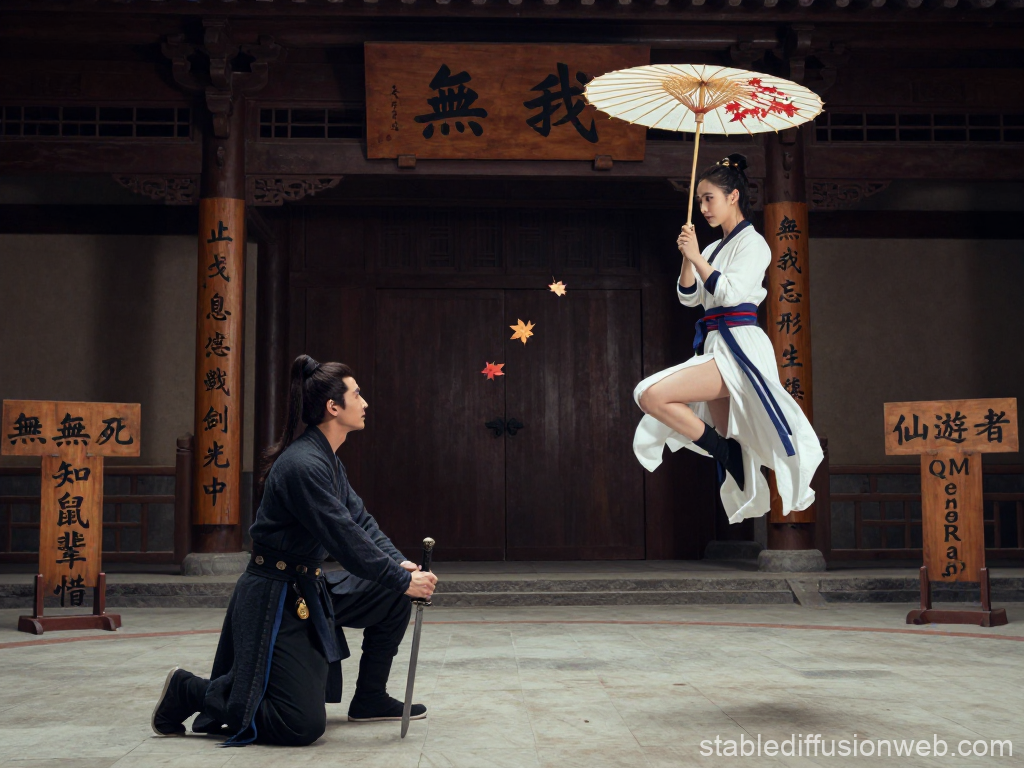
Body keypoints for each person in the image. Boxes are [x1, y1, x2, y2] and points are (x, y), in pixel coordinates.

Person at [151, 355, 438, 746]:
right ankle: (191, 690)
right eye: (357, 394)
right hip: (277, 594)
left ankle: (369, 698)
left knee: (390, 592)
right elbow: (345, 540)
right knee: (299, 725)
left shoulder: (327, 460)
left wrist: (398, 567)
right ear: (333, 407)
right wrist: (401, 579)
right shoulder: (303, 465)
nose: (365, 402)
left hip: (309, 583)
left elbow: (362, 522)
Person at [633, 154, 823, 523]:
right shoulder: (711, 249)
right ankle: (728, 453)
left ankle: (726, 453)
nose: (704, 207)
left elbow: (731, 294)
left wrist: (698, 260)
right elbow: (690, 298)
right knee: (727, 431)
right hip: (716, 342)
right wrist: (689, 257)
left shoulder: (755, 244)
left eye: (710, 198)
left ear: (733, 196)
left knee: (650, 394)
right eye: (700, 200)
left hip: (740, 345)